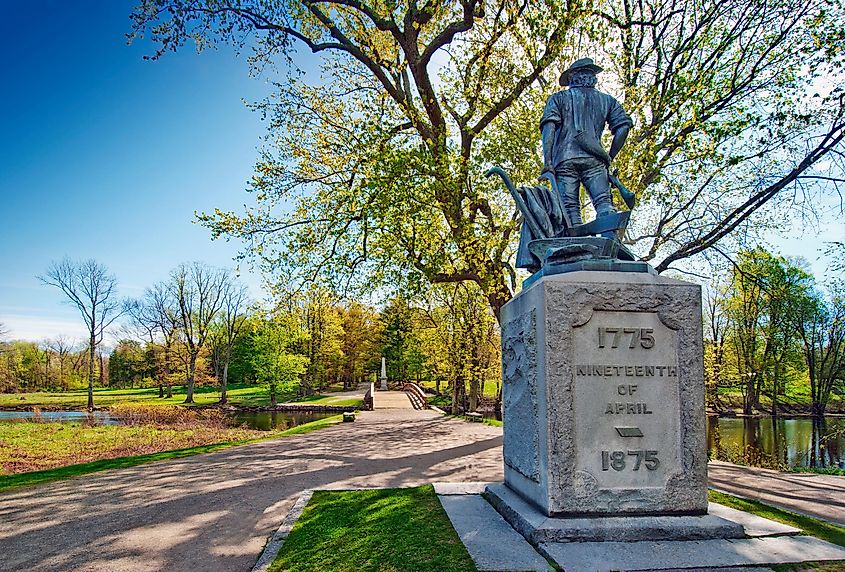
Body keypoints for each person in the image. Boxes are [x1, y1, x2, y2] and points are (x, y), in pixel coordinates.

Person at [540, 58, 633, 226]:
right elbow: (623, 128)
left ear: (573, 77)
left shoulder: (558, 98)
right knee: (604, 204)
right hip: (595, 160)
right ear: (592, 77)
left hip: (564, 160)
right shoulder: (608, 101)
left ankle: (574, 244)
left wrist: (547, 162)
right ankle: (609, 241)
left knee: (570, 211)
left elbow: (549, 128)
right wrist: (608, 156)